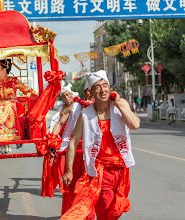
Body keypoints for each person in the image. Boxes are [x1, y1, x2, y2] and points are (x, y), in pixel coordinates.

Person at [62, 70, 140, 220]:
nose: (102, 90)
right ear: (91, 92)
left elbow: (135, 124)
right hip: (100, 171)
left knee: (115, 210)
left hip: (122, 170)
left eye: (105, 85)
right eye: (97, 87)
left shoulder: (120, 104)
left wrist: (118, 104)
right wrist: (69, 170)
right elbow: (72, 142)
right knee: (106, 210)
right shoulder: (86, 115)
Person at [49, 82, 95, 216]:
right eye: (89, 90)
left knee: (89, 188)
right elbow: (59, 123)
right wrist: (52, 139)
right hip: (71, 150)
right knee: (70, 187)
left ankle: (86, 215)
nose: (65, 98)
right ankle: (71, 214)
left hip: (91, 153)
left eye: (67, 95)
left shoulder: (99, 106)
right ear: (84, 91)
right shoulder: (73, 106)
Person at [0, 59, 37, 154]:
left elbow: (26, 89)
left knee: (8, 106)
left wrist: (35, 94)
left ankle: (12, 135)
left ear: (4, 70)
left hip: (12, 106)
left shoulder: (13, 81)